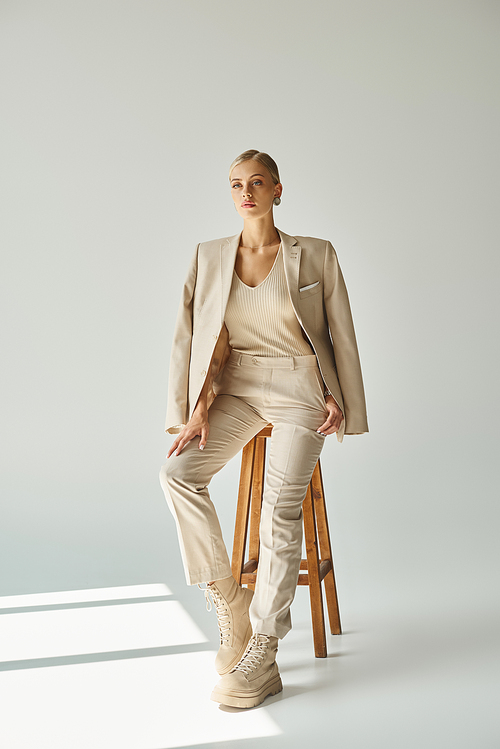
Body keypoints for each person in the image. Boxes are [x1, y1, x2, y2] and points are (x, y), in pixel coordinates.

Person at [159, 149, 368, 708]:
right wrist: (196, 407)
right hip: (238, 390)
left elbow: (340, 333)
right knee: (177, 473)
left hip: (301, 388)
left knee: (279, 506)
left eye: (256, 183)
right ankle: (228, 599)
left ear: (278, 190)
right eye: (235, 185)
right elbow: (195, 339)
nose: (245, 193)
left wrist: (340, 398)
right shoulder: (209, 257)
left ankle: (266, 647)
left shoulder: (315, 255)